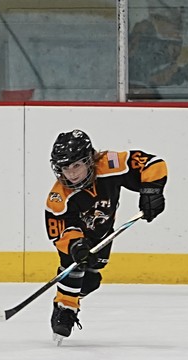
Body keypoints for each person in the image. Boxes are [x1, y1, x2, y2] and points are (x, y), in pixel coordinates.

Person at [45, 129, 167, 343]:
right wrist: (76, 246)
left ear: (89, 160)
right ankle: (65, 308)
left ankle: (73, 296)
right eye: (65, 168)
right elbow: (60, 230)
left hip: (103, 233)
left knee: (91, 281)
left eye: (76, 166)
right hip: (77, 237)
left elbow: (152, 163)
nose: (71, 174)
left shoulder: (110, 164)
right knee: (74, 267)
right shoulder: (59, 198)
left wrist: (152, 191)